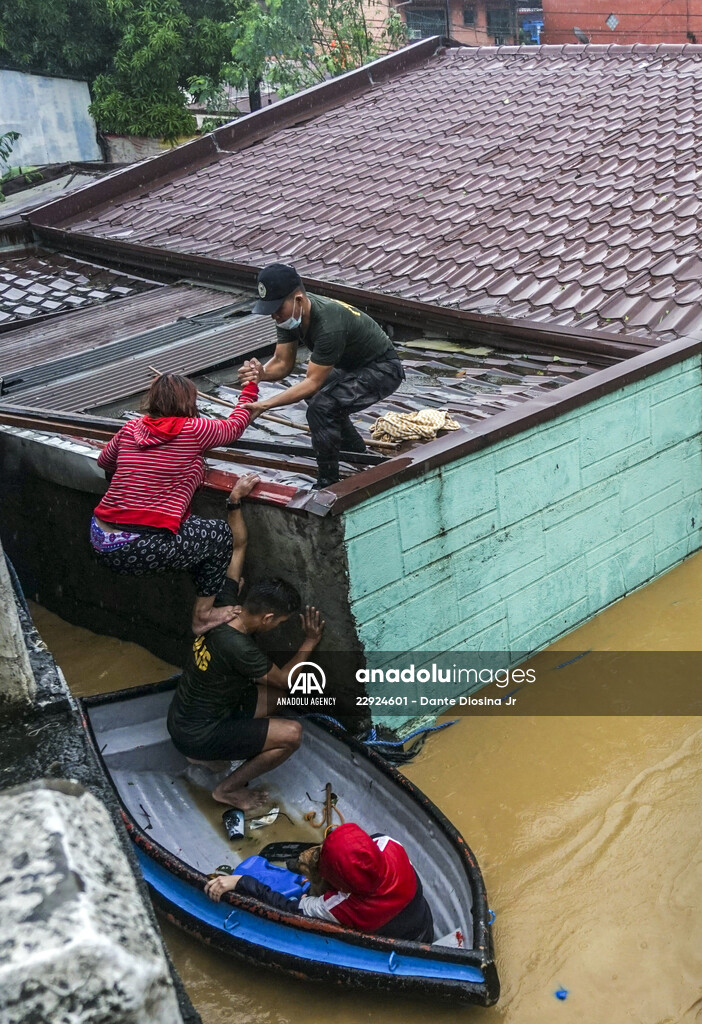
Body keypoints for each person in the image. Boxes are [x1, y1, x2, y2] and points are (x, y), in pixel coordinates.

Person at [167, 487, 325, 810]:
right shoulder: (237, 646)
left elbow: (238, 545)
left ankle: (212, 753)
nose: (278, 627)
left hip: (188, 717)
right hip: (198, 732)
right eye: (279, 623)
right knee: (292, 733)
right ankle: (227, 789)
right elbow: (284, 679)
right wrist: (309, 641)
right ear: (267, 617)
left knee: (280, 700)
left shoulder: (225, 605)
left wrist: (234, 502)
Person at [90, 371, 258, 634]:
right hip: (137, 546)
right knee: (219, 535)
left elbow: (104, 461)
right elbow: (235, 426)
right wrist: (249, 389)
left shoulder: (130, 428)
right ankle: (203, 615)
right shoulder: (195, 429)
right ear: (189, 402)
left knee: (191, 514)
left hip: (100, 538)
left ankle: (210, 585)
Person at [239, 263, 404, 488]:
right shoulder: (290, 316)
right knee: (320, 398)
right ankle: (355, 451)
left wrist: (264, 405)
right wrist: (261, 374)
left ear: (298, 299)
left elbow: (312, 382)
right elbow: (282, 362)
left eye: (277, 308)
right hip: (352, 367)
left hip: (383, 369)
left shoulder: (328, 324)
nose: (274, 316)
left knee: (321, 407)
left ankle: (328, 481)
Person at [205, 822, 435, 942]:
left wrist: (242, 882)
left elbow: (287, 909)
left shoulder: (337, 907)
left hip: (395, 944)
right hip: (425, 930)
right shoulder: (390, 845)